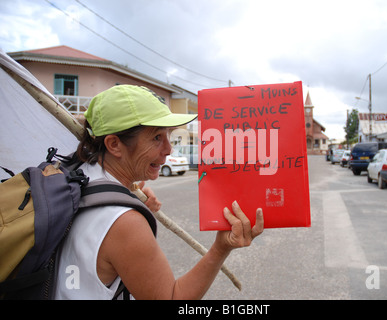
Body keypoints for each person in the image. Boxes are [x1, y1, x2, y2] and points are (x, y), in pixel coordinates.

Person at [53, 85, 264, 300]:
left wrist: (134, 202)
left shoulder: (78, 173)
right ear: (114, 144)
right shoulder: (123, 221)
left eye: (168, 135)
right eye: (156, 138)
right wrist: (220, 248)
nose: (169, 149)